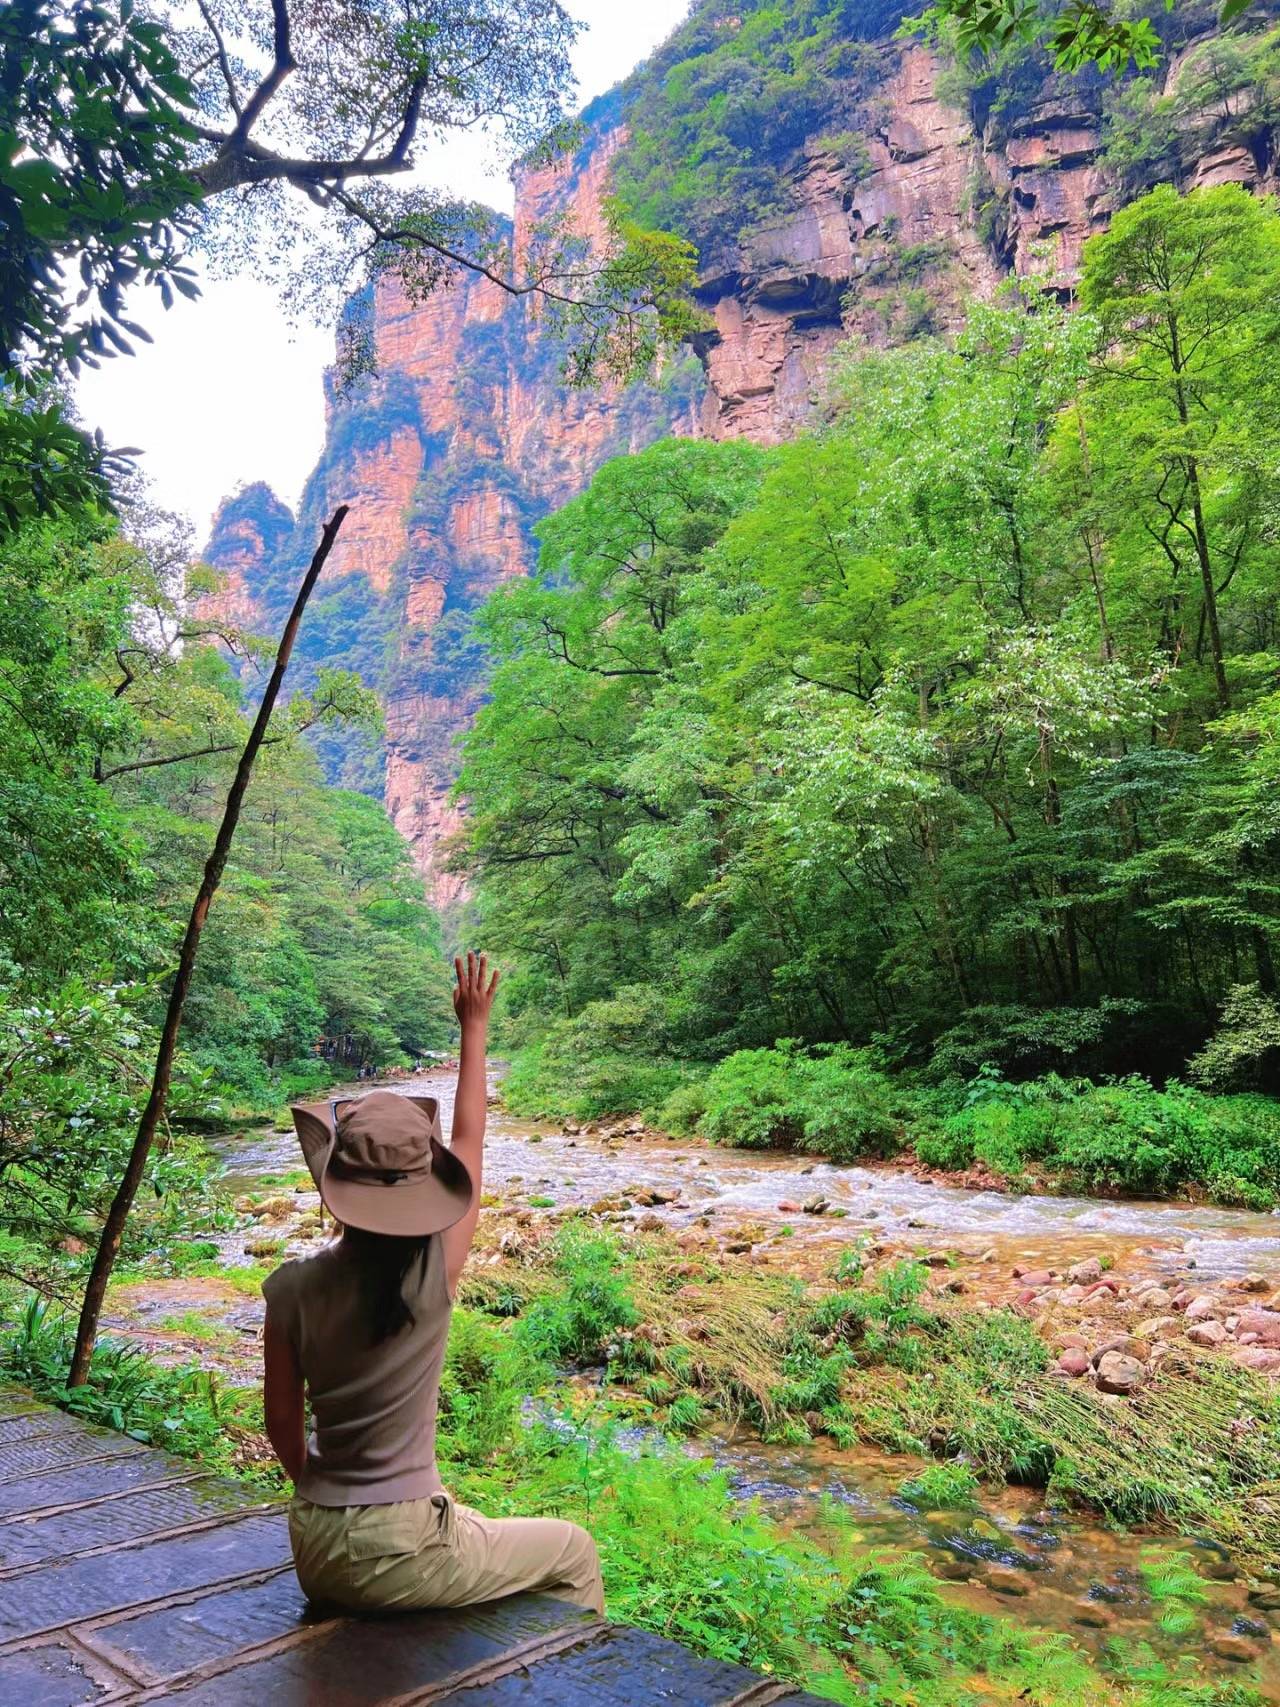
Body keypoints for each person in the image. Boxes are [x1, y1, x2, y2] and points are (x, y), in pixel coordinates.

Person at [261, 950, 603, 1615]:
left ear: (336, 1186)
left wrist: (334, 1499)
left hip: (316, 1548)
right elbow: (473, 1136)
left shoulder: (290, 1288)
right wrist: (474, 1025)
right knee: (574, 1550)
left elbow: (280, 1425)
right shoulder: (436, 1269)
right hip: (403, 1550)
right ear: (425, 1187)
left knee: (463, 1525)